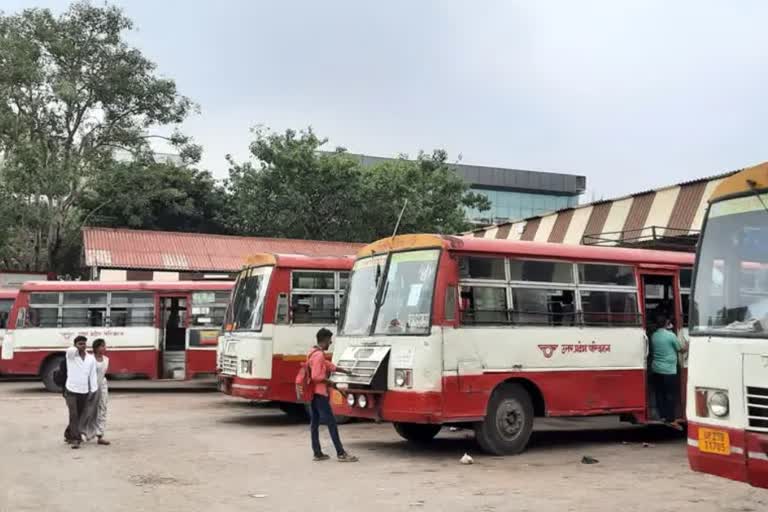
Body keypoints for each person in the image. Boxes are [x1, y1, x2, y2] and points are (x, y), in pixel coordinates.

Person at [307, 328, 358, 462]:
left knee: (314, 423)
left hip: (313, 394)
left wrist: (345, 371)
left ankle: (317, 453)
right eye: (329, 339)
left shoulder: (313, 352)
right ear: (324, 340)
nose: (331, 342)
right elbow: (316, 376)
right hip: (320, 394)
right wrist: (330, 382)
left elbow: (329, 366)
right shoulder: (319, 355)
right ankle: (341, 453)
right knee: (331, 423)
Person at [650, 315, 685, 427]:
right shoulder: (671, 336)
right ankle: (671, 419)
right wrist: (688, 345)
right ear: (666, 324)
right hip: (669, 370)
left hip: (656, 369)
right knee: (670, 394)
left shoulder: (654, 335)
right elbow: (680, 349)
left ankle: (663, 416)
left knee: (660, 393)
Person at [64, 335, 97, 449]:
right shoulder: (71, 355)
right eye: (80, 344)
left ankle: (68, 433)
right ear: (75, 345)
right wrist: (75, 347)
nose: (83, 346)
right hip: (71, 389)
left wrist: (93, 389)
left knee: (78, 415)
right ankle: (75, 439)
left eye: (84, 344)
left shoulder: (90, 358)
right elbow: (70, 350)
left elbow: (92, 375)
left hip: (84, 391)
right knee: (73, 414)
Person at [81, 339, 111, 446]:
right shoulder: (90, 359)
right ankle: (83, 433)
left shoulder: (106, 359)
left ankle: (100, 435)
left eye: (104, 346)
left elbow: (102, 375)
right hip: (90, 387)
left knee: (102, 409)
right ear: (96, 347)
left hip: (102, 386)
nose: (104, 348)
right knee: (88, 410)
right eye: (102, 346)